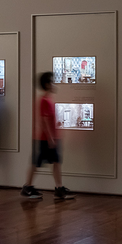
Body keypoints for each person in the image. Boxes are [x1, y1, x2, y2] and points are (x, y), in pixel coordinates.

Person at [22, 72, 75, 200]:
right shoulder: (44, 100)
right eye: (52, 82)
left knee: (54, 161)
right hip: (45, 139)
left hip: (50, 138)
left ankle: (58, 188)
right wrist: (50, 138)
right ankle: (28, 187)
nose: (54, 85)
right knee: (37, 162)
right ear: (47, 84)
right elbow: (44, 120)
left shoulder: (48, 100)